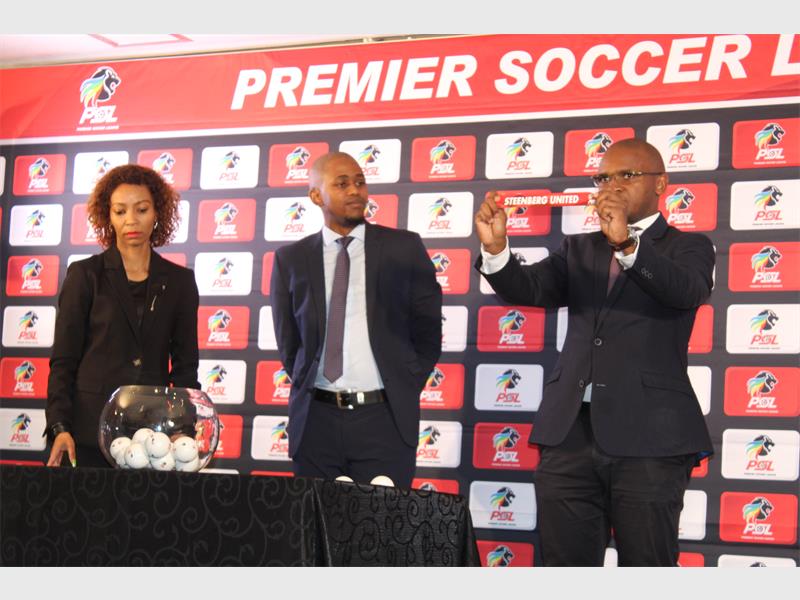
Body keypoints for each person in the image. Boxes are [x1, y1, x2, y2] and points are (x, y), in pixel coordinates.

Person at [474, 138, 714, 566]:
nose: (613, 185)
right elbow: (529, 288)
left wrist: (628, 246)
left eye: (627, 175)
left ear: (661, 183)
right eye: (603, 177)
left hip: (651, 438)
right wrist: (496, 252)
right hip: (569, 435)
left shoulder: (689, 246)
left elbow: (685, 291)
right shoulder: (579, 247)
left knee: (648, 567)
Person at [270, 152, 442, 488]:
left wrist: (404, 382)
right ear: (316, 195)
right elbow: (289, 343)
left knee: (383, 520)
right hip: (315, 422)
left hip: (384, 421)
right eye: (342, 184)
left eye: (360, 182)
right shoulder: (291, 259)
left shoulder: (403, 248)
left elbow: (428, 332)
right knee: (317, 520)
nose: (355, 191)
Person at [46, 164, 200, 468]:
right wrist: (59, 427)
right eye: (120, 211)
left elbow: (185, 368)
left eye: (141, 209)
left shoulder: (180, 282)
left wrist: (182, 430)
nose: (131, 220)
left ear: (157, 213)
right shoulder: (85, 275)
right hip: (86, 433)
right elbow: (63, 361)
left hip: (154, 439)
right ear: (108, 217)